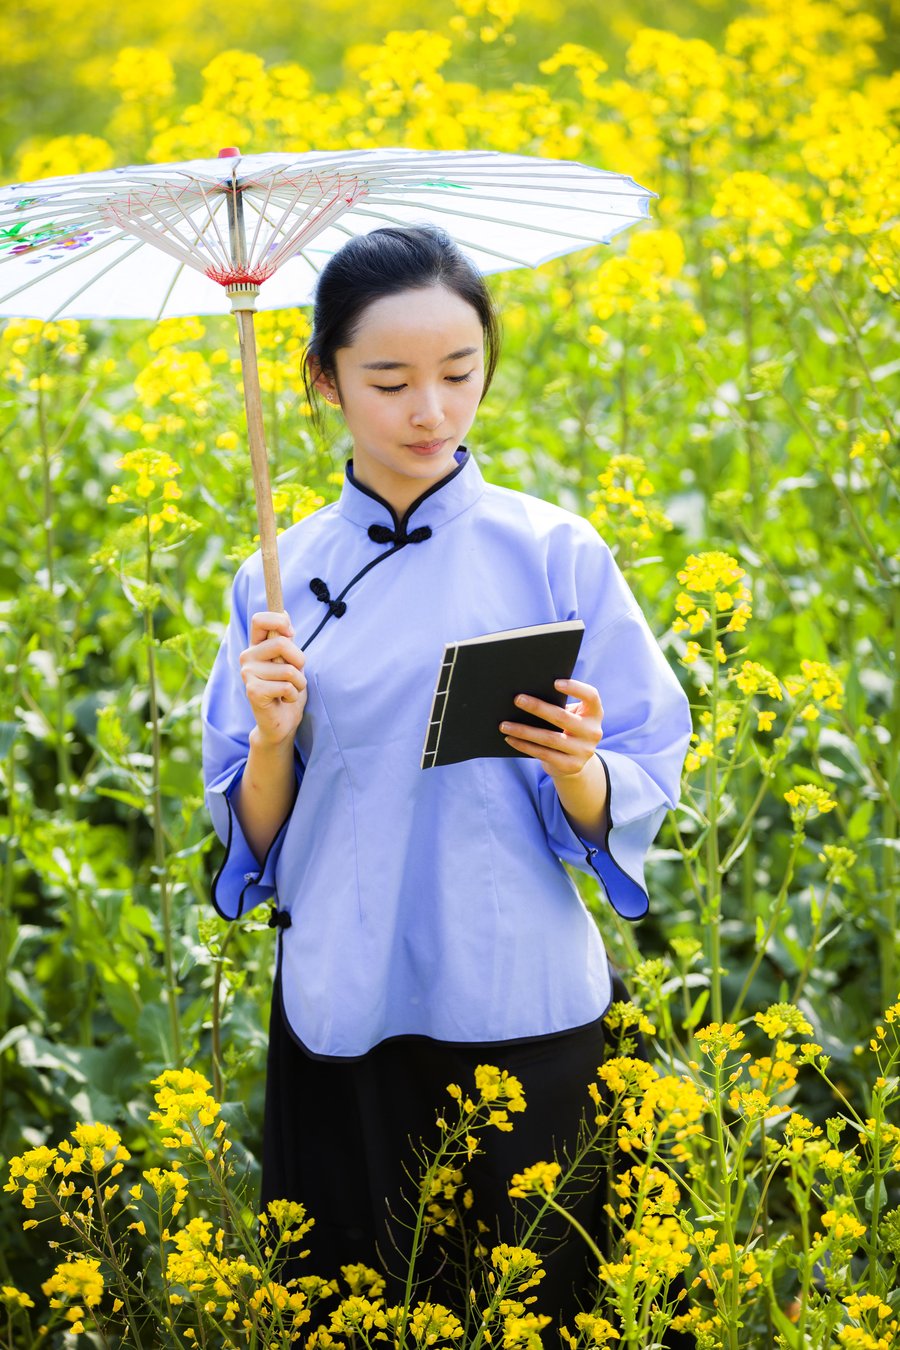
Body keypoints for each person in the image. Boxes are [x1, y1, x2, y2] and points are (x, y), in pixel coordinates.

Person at [200, 224, 693, 1338]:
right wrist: (274, 733)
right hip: (346, 1004)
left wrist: (578, 769)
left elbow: (643, 765)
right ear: (323, 380)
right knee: (354, 1309)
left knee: (546, 1308)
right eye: (390, 381)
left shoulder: (554, 550)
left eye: (459, 375)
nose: (431, 412)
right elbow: (254, 839)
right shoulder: (276, 578)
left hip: (519, 999)